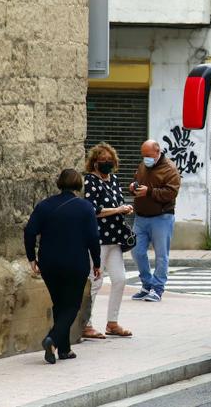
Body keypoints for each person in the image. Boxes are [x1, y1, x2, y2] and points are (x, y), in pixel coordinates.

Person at [24, 169, 101, 364]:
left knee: (60, 303)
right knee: (72, 305)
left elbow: (30, 232)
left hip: (49, 263)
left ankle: (64, 349)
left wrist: (32, 258)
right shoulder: (85, 208)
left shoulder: (44, 206)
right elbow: (93, 238)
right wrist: (97, 263)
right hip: (75, 263)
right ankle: (53, 338)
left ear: (59, 183)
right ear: (78, 184)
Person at [82, 143, 135, 339]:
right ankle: (86, 324)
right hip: (98, 238)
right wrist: (118, 210)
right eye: (103, 160)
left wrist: (125, 208)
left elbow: (117, 202)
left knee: (120, 279)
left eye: (109, 160)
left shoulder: (113, 179)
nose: (107, 163)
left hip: (115, 238)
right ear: (94, 163)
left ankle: (112, 322)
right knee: (95, 281)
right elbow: (92, 210)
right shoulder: (90, 181)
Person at [129, 139, 181, 302]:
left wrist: (149, 192)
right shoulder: (143, 166)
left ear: (158, 152)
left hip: (162, 217)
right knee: (136, 251)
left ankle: (157, 288)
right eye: (143, 155)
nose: (145, 158)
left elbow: (171, 193)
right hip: (141, 216)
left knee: (161, 255)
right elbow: (138, 180)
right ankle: (146, 284)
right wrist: (133, 186)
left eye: (148, 155)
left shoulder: (170, 169)